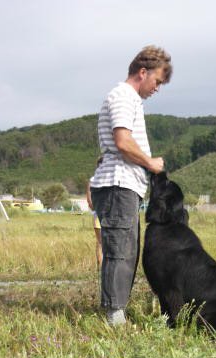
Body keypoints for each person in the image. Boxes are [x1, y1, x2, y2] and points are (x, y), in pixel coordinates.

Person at [89, 45, 171, 326]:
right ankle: (114, 316)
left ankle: (116, 311)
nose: (157, 88)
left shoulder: (130, 99)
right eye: (157, 81)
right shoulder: (123, 96)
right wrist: (151, 163)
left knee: (126, 249)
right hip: (117, 183)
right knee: (120, 250)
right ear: (143, 72)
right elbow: (123, 142)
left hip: (123, 184)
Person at [86, 179, 103, 268]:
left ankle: (101, 268)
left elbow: (90, 202)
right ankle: (101, 267)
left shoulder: (92, 180)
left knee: (100, 243)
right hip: (103, 214)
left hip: (99, 214)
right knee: (101, 242)